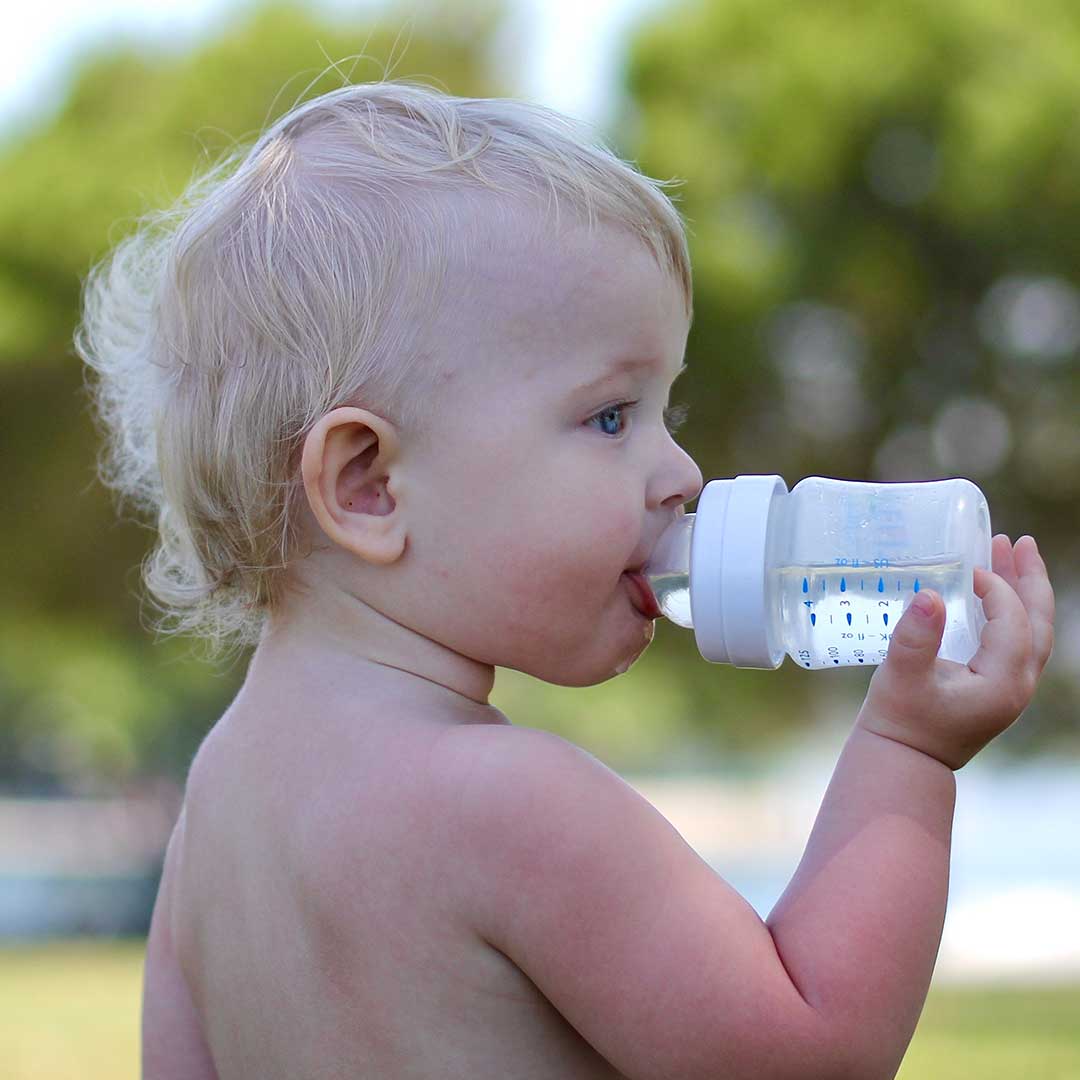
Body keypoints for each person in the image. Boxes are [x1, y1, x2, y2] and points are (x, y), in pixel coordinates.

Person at [76, 80, 1055, 1080]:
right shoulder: (510, 803)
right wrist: (910, 753)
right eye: (611, 417)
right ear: (369, 484)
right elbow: (814, 1054)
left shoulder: (219, 803)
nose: (682, 475)